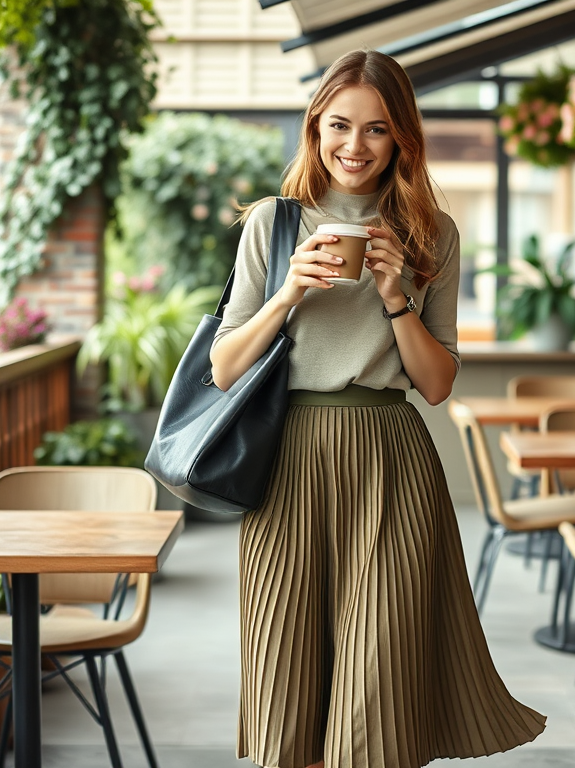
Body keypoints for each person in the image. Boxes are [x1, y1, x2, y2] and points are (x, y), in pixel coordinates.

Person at [210, 48, 546, 768]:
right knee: (286, 685)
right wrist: (289, 291)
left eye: (376, 130)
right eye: (340, 125)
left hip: (390, 464)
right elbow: (224, 365)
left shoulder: (433, 235)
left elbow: (437, 383)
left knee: (378, 695)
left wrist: (396, 295)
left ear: (402, 139)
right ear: (315, 127)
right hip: (286, 463)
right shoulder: (272, 226)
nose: (354, 146)